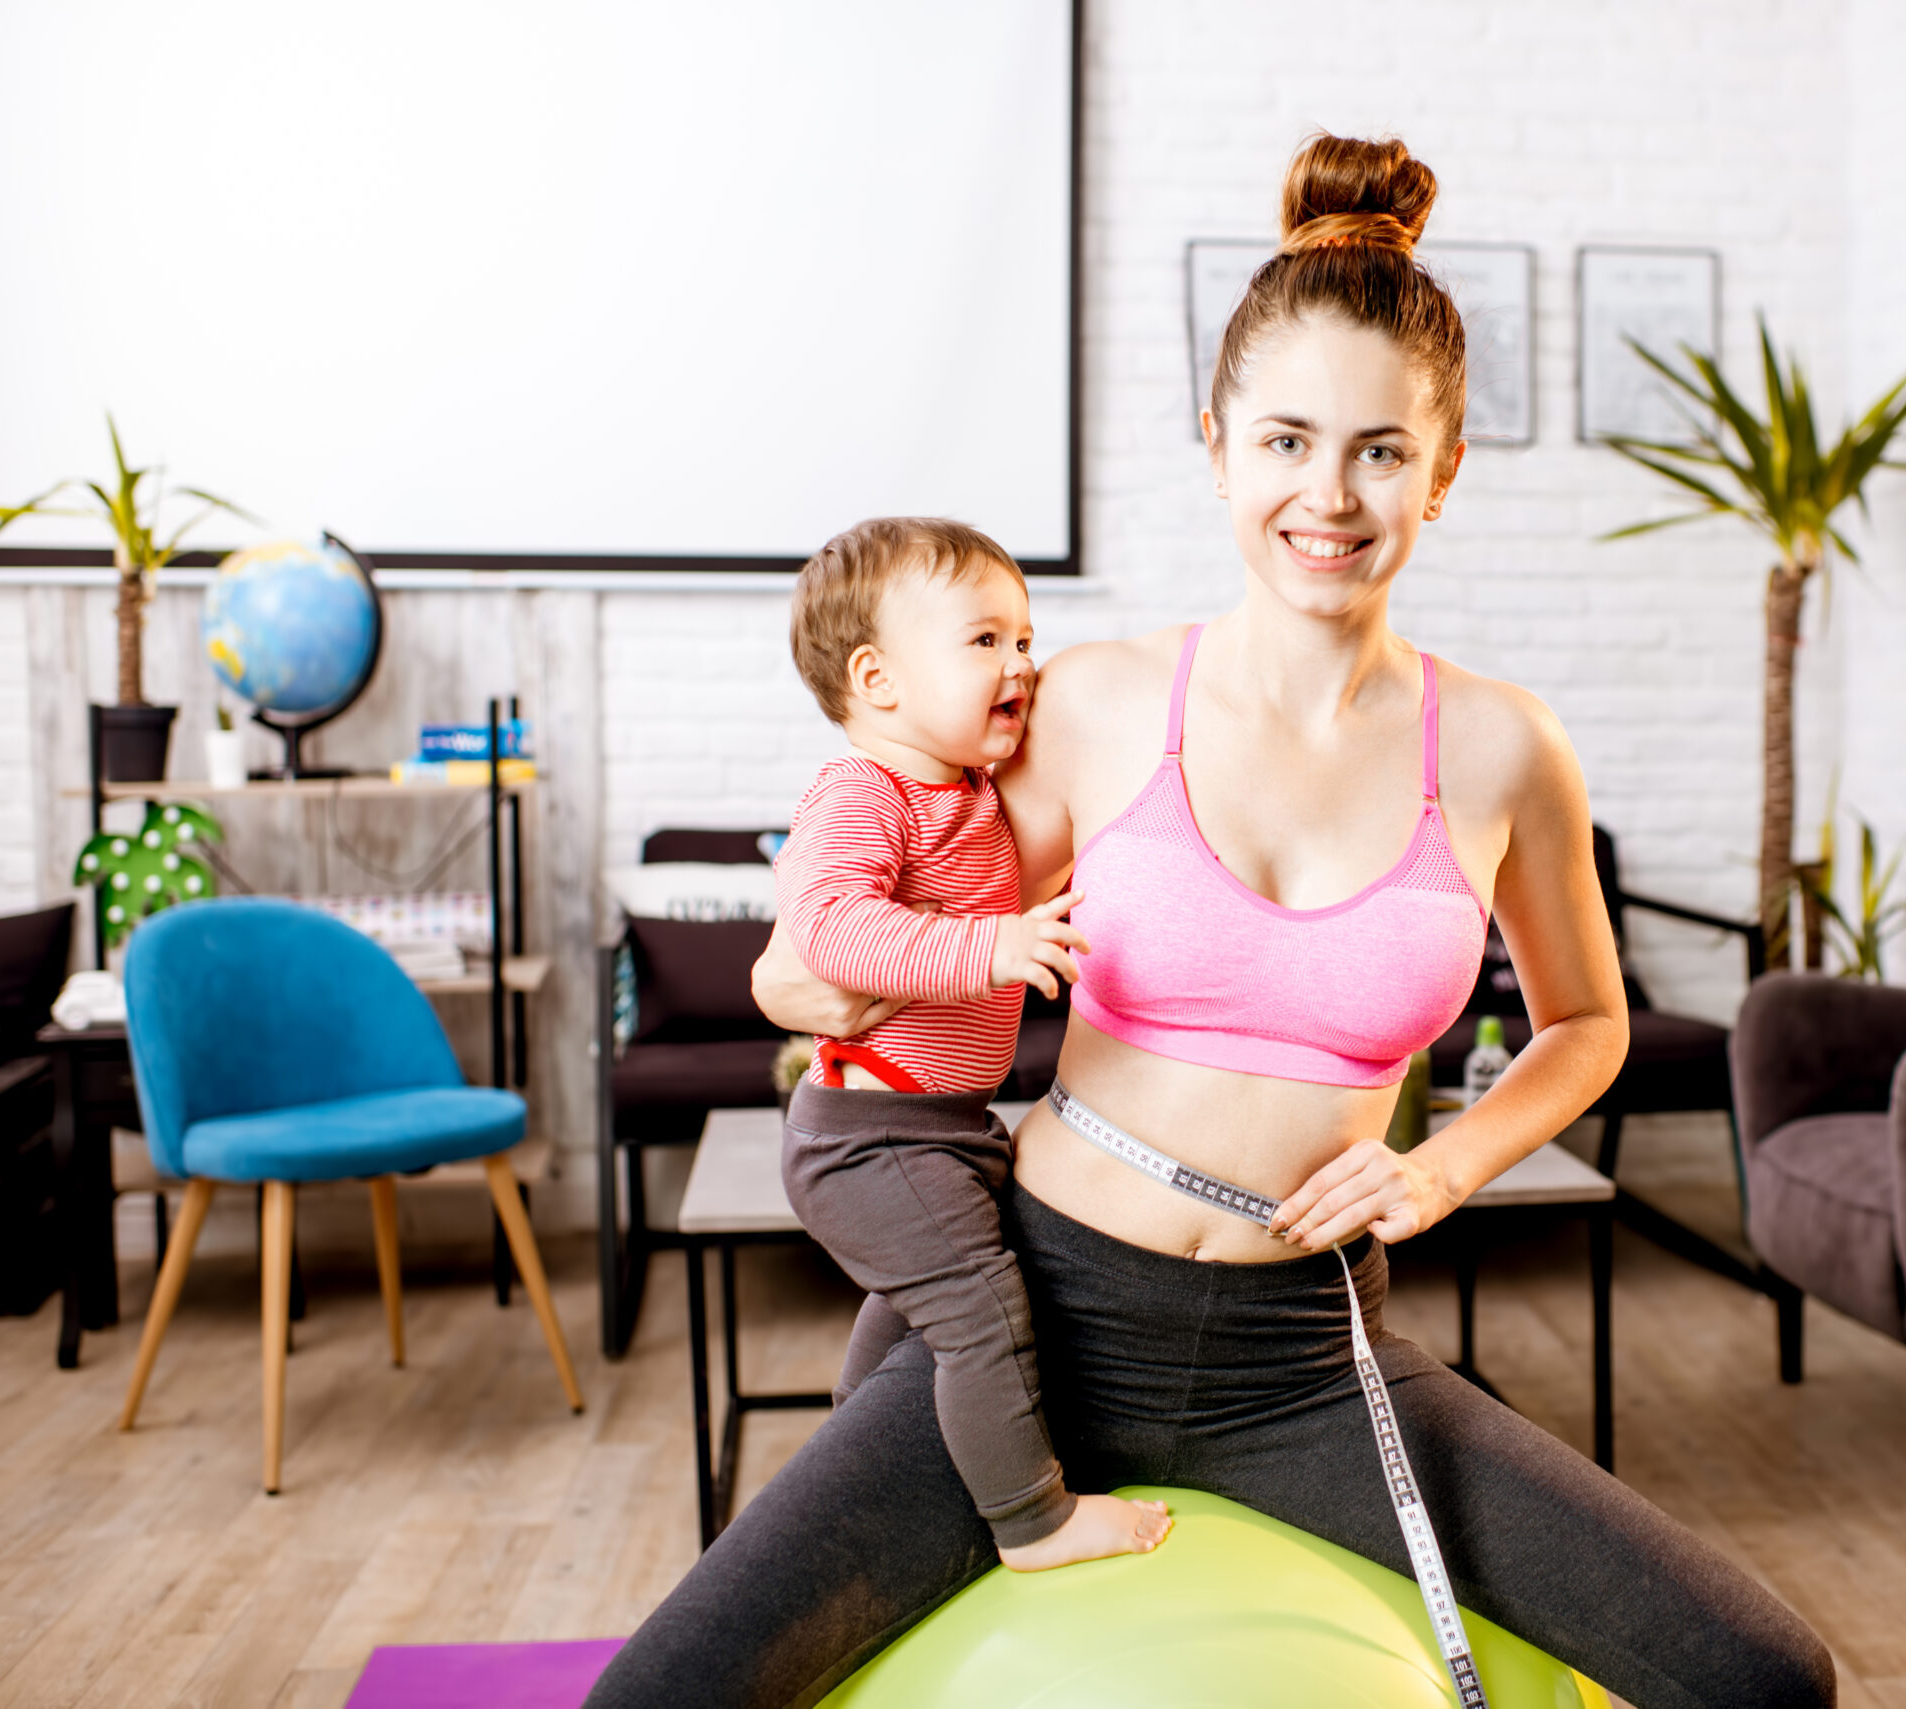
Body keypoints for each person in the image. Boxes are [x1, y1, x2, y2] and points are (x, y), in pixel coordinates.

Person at [586, 132, 1835, 1709]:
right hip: (1032, 1315)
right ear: (1220, 447)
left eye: (1383, 450)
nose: (1331, 493)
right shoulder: (1092, 707)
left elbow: (1589, 1024)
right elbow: (840, 940)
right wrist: (808, 978)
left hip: (1308, 1356)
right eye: (1289, 441)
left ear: (1443, 471)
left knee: (1764, 1676)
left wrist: (1443, 1165)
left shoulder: (1509, 747)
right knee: (657, 1699)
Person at [769, 516, 1171, 1571]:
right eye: (984, 640)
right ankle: (1031, 1518)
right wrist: (990, 944)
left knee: (919, 1309)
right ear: (878, 677)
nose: (1020, 664)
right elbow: (829, 930)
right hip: (868, 1132)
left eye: (1025, 639)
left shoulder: (973, 793)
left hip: (938, 1123)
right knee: (982, 1307)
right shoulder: (865, 793)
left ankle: (856, 1454)